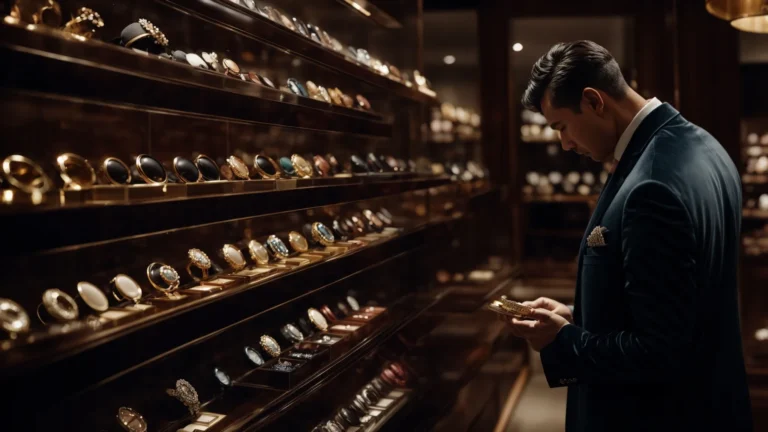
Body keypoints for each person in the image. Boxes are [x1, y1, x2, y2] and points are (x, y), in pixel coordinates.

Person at [507, 40, 753, 431]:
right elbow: (678, 304)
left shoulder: (650, 184)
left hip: (657, 416)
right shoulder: (705, 145)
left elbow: (658, 351)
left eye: (562, 127)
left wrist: (564, 340)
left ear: (594, 101)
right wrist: (576, 317)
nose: (565, 144)